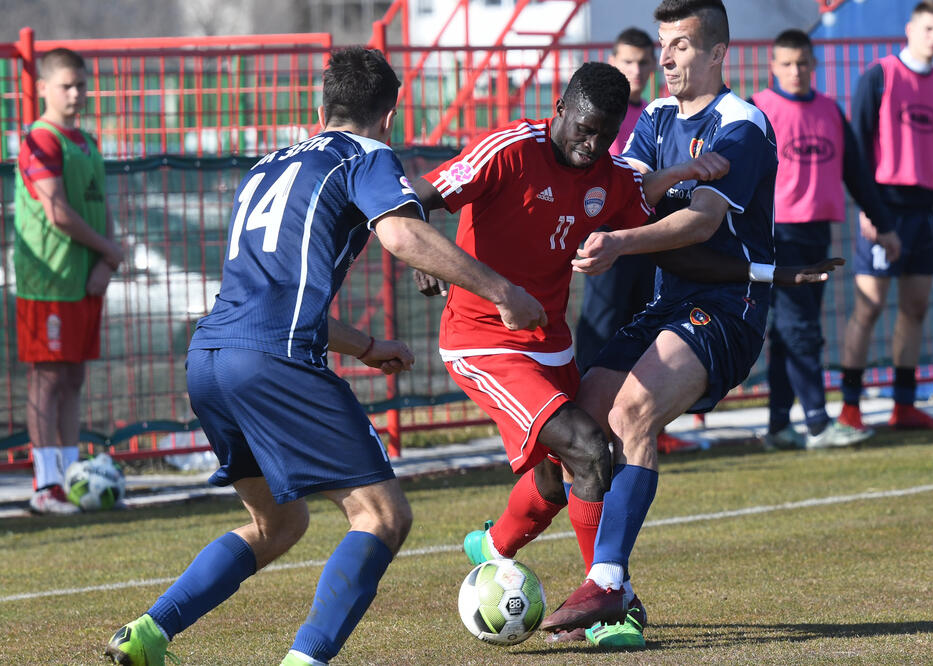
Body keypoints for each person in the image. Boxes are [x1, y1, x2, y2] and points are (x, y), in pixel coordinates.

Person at [103, 47, 545, 666]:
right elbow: (400, 235)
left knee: (277, 526)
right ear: (388, 117)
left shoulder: (266, 166)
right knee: (382, 516)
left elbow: (271, 294)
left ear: (320, 106)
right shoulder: (365, 155)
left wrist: (365, 346)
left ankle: (148, 634)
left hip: (210, 357)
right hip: (272, 360)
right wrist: (502, 292)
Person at [538, 0, 778, 644]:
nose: (666, 58)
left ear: (718, 53)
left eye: (680, 45)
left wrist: (617, 242)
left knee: (634, 411)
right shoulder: (657, 120)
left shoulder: (742, 125)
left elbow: (699, 220)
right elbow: (631, 194)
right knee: (585, 419)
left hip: (730, 305)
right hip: (669, 302)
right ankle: (616, 594)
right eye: (663, 44)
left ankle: (607, 583)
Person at [751, 29, 901, 451]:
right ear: (773, 67)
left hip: (818, 231)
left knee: (789, 332)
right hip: (776, 233)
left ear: (813, 65)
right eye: (786, 64)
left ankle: (780, 424)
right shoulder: (757, 110)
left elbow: (857, 174)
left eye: (802, 63)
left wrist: (883, 223)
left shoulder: (831, 111)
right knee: (801, 330)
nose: (795, 71)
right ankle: (817, 423)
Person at [838, 0, 933, 434]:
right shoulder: (880, 74)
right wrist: (870, 210)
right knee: (868, 309)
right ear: (910, 29)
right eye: (928, 28)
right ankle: (850, 407)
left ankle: (903, 406)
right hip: (883, 206)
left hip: (923, 209)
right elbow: (857, 147)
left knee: (916, 307)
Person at [14, 48, 124, 515]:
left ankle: (67, 477)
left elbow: (101, 205)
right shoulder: (39, 139)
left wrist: (108, 259)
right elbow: (57, 212)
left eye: (81, 84)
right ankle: (45, 486)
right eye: (66, 85)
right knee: (47, 378)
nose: (76, 93)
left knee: (73, 376)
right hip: (49, 280)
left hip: (84, 280)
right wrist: (106, 250)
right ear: (42, 88)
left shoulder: (87, 140)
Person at [574, 28, 659, 373]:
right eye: (628, 62)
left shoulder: (656, 115)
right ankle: (592, 417)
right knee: (602, 323)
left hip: (645, 232)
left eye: (642, 62)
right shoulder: (600, 117)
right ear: (612, 63)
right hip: (604, 229)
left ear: (653, 65)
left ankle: (636, 422)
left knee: (644, 322)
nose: (635, 70)